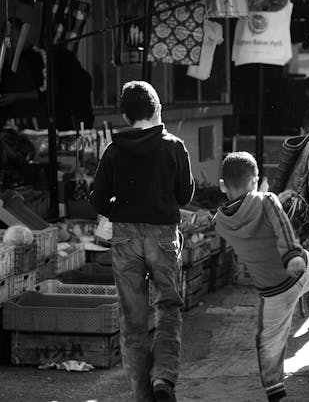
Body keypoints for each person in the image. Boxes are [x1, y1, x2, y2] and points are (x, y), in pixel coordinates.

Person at [89, 81, 194, 402]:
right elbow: (185, 194)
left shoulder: (114, 150)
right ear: (157, 108)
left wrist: (120, 210)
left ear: (124, 114)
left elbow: (98, 200)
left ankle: (142, 396)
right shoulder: (173, 146)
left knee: (132, 320)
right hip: (162, 235)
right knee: (168, 307)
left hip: (125, 238)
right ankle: (163, 377)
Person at [214, 152, 309, 402]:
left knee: (268, 341)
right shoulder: (267, 201)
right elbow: (281, 227)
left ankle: (274, 389)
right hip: (301, 271)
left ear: (223, 185)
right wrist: (292, 256)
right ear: (256, 180)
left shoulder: (221, 222)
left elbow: (248, 217)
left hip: (272, 292)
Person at [0, 18, 45, 128]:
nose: (10, 37)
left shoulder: (38, 56)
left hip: (34, 123)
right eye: (6, 35)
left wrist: (16, 97)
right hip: (11, 124)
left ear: (23, 32)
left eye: (12, 32)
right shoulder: (6, 62)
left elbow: (45, 93)